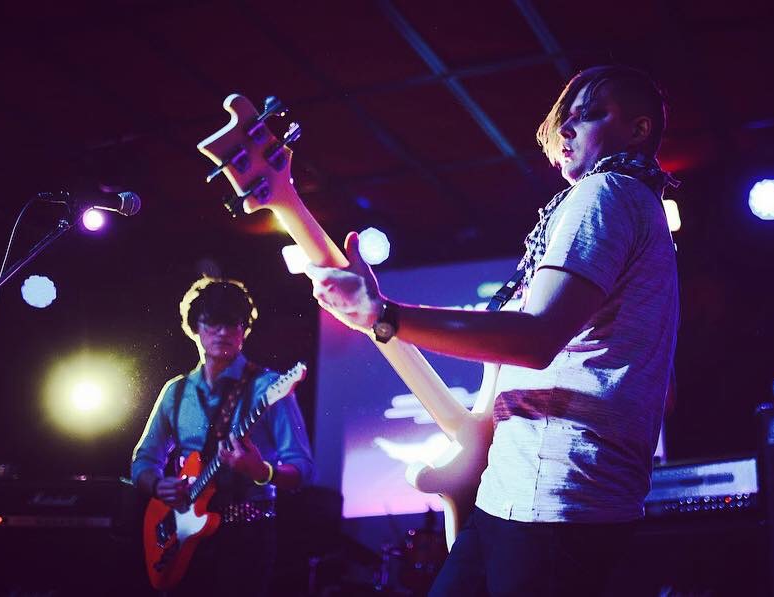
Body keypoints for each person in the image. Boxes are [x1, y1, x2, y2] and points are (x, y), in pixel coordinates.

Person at [306, 64, 679, 596]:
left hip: (548, 500)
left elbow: (535, 337)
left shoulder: (605, 195)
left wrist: (385, 316)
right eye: (564, 119)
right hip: (526, 496)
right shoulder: (638, 208)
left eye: (590, 114)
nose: (567, 129)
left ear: (639, 131)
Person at [132, 276, 314, 596]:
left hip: (247, 535)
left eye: (233, 323)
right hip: (183, 532)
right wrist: (159, 485)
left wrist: (262, 472)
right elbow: (144, 459)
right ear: (195, 327)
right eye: (213, 322)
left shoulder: (268, 388)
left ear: (244, 330)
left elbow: (303, 469)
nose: (223, 332)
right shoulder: (175, 392)